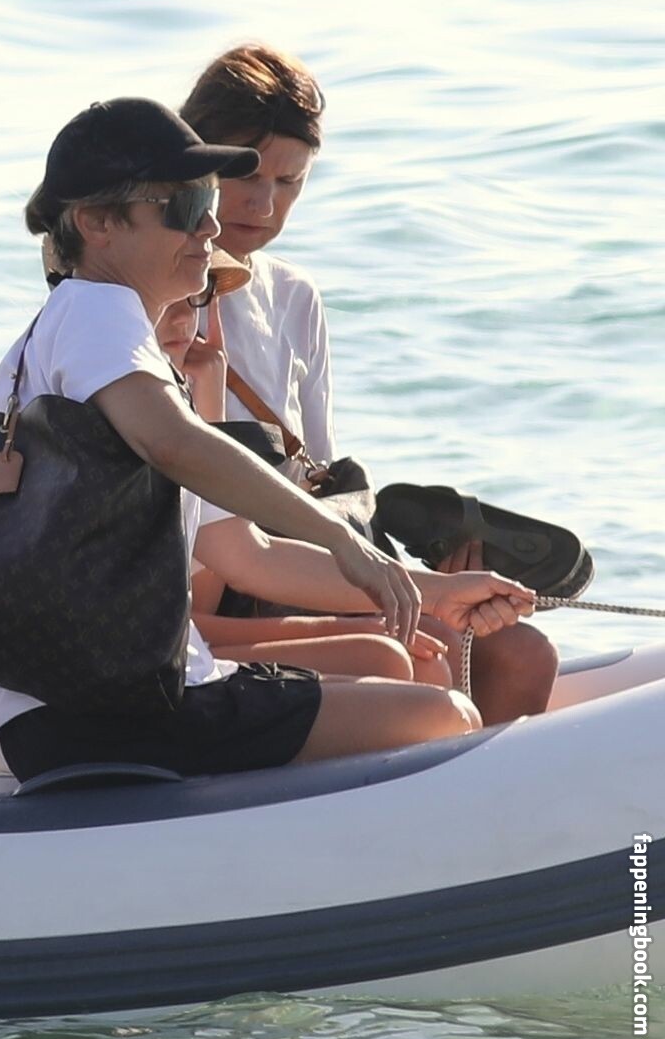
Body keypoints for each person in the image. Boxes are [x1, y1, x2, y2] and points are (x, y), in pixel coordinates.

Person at [0, 98, 532, 783]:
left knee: (430, 705)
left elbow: (247, 554)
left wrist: (432, 590)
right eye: (182, 207)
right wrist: (341, 536)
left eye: (207, 200)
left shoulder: (103, 345)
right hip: (101, 708)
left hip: (115, 699)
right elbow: (176, 445)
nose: (209, 226)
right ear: (97, 224)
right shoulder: (95, 310)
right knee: (443, 718)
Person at [178, 44, 558, 720]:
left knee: (525, 654)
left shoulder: (295, 296)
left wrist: (418, 576)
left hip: (297, 556)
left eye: (290, 182)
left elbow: (317, 478)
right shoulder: (162, 295)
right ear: (197, 159)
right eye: (247, 174)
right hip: (213, 577)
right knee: (433, 650)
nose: (264, 202)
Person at [152, 277, 452, 686]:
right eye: (163, 298)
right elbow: (195, 618)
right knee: (386, 658)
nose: (183, 317)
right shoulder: (134, 422)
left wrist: (211, 398)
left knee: (417, 652)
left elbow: (210, 593)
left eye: (194, 299)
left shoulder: (186, 401)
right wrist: (356, 627)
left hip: (184, 648)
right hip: (148, 663)